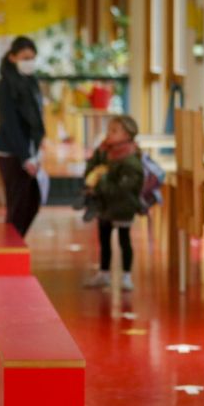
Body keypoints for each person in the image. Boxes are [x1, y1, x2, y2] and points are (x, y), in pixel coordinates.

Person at [81, 115, 144, 291]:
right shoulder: (104, 152)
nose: (109, 134)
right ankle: (104, 272)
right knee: (104, 239)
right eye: (109, 130)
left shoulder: (131, 159)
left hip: (123, 206)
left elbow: (124, 188)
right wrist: (93, 170)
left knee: (124, 240)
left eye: (114, 131)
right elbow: (91, 168)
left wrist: (100, 181)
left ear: (127, 135)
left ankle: (126, 275)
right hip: (105, 205)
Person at [0, 36, 46, 236]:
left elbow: (36, 119)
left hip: (28, 151)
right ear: (13, 57)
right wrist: (26, 157)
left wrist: (35, 151)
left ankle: (16, 244)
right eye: (25, 57)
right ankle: (11, 249)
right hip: (11, 151)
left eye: (32, 57)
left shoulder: (31, 81)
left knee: (31, 202)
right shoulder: (6, 84)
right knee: (18, 205)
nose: (29, 62)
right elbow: (10, 124)